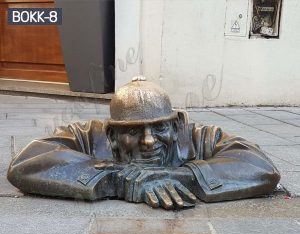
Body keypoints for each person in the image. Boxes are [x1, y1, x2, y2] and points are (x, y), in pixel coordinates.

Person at [7, 77, 280, 210]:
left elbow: (261, 166)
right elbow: (27, 161)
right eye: (134, 131)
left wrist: (181, 176)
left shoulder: (199, 136)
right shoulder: (89, 134)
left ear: (175, 126)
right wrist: (115, 179)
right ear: (112, 133)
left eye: (159, 127)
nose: (149, 141)